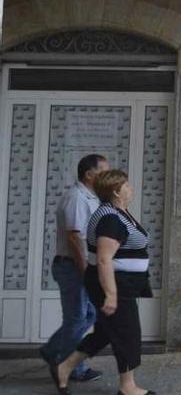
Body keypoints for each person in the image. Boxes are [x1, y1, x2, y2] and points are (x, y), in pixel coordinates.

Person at [51, 170, 155, 395]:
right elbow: (103, 258)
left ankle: (65, 366)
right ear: (117, 192)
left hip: (123, 283)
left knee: (107, 332)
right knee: (127, 332)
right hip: (113, 284)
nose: (131, 188)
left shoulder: (119, 212)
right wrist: (111, 295)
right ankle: (128, 387)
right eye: (127, 185)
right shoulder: (110, 218)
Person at [39, 154, 109, 383]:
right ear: (89, 174)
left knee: (87, 315)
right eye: (103, 171)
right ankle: (67, 367)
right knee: (78, 317)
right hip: (72, 267)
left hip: (77, 265)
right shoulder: (77, 198)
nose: (106, 175)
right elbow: (74, 237)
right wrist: (85, 271)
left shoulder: (90, 196)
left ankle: (52, 351)